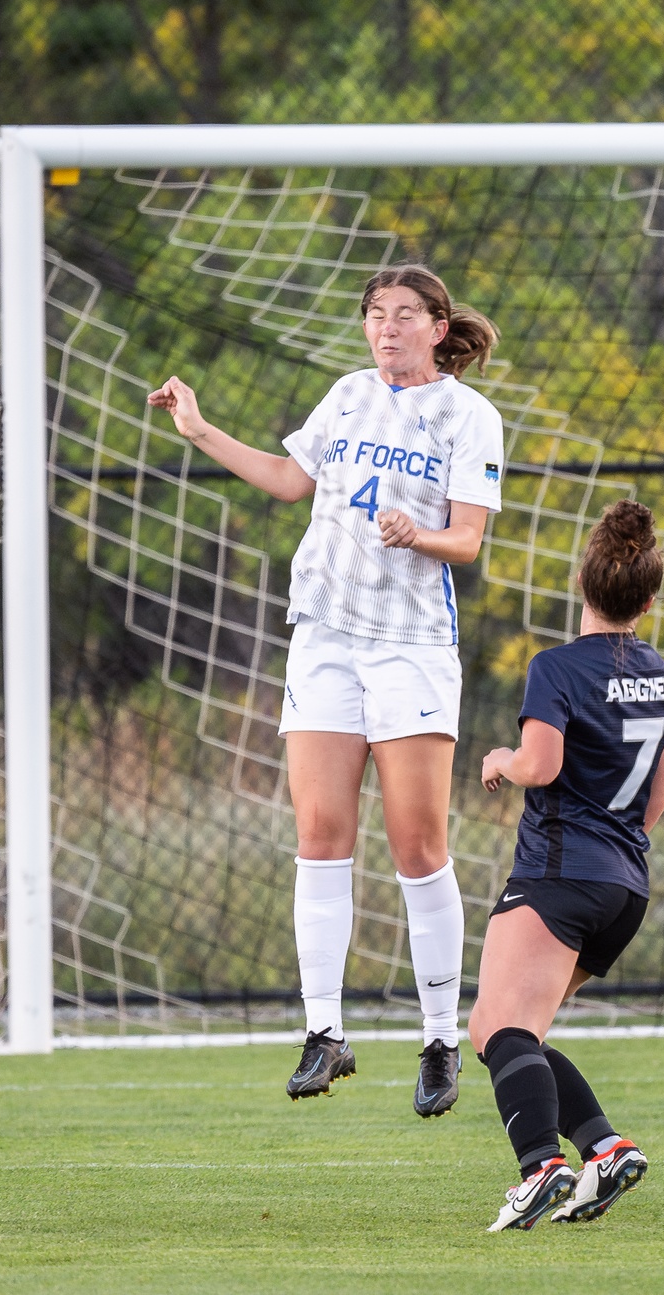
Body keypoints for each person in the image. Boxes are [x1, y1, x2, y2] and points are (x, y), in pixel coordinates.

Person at [148, 263, 503, 1117]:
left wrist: (419, 533)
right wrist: (199, 430)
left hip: (411, 646)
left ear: (436, 325)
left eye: (405, 314)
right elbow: (288, 479)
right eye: (376, 314)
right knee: (319, 831)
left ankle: (439, 1037)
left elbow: (469, 541)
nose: (387, 328)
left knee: (417, 843)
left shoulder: (468, 414)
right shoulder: (346, 395)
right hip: (324, 637)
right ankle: (324, 1031)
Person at [469, 499, 664, 1230]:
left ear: (582, 582)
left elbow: (542, 761)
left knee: (495, 1029)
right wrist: (616, 844)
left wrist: (503, 758)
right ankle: (605, 1147)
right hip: (626, 887)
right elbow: (662, 790)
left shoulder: (555, 667)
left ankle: (539, 1167)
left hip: (560, 877)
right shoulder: (661, 675)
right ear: (647, 600)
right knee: (520, 1030)